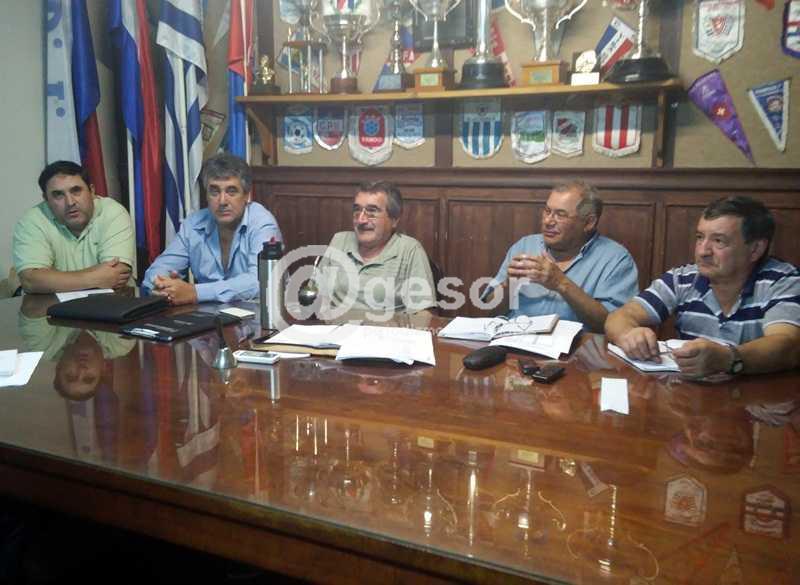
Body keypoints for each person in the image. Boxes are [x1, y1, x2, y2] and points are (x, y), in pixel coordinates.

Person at [606, 196, 800, 378]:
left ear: (755, 249)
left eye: (718, 241)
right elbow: (620, 316)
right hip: (692, 395)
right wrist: (628, 334)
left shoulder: (783, 281)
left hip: (760, 398)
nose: (703, 251)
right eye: (700, 237)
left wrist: (728, 358)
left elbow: (787, 345)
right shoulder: (682, 278)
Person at [491, 180, 638, 332]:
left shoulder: (615, 259)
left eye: (561, 215)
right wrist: (508, 285)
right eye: (547, 211)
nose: (548, 221)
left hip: (578, 345)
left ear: (589, 222)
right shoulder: (525, 245)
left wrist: (560, 283)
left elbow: (613, 325)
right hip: (515, 339)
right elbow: (490, 311)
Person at [143, 153, 282, 305]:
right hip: (209, 314)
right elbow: (155, 272)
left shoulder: (262, 223)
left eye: (231, 191)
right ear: (206, 195)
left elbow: (261, 281)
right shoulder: (193, 224)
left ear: (246, 196)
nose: (222, 201)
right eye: (214, 191)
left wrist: (195, 292)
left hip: (261, 313)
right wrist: (163, 286)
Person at [13, 161, 135, 294]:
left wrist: (51, 279)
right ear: (46, 199)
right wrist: (96, 278)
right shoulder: (32, 220)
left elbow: (117, 275)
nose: (70, 202)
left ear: (92, 191)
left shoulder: (112, 212)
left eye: (76, 191)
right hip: (51, 305)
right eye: (58, 195)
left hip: (112, 302)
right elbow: (31, 281)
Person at [317, 181, 436, 315]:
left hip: (386, 327)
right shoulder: (339, 241)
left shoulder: (410, 249)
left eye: (372, 212)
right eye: (357, 210)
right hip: (336, 326)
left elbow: (424, 314)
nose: (361, 220)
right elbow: (315, 295)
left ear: (394, 220)